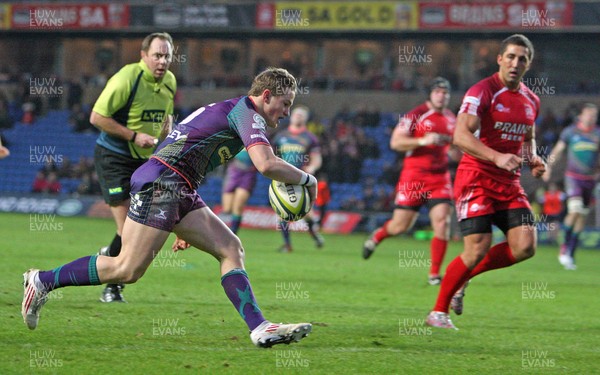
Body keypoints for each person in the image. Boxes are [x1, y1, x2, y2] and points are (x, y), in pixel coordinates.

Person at [22, 67, 316, 348]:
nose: (287, 112)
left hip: (176, 185)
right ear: (266, 95)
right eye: (285, 103)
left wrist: (179, 219)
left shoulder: (233, 109)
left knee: (230, 248)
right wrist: (308, 180)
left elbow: (187, 149)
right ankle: (42, 281)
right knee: (126, 269)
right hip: (165, 183)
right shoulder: (247, 114)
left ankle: (260, 328)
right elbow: (265, 164)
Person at [426, 34, 546, 329]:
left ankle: (465, 279)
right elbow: (460, 136)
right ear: (500, 59)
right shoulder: (482, 91)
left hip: (508, 182)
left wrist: (532, 157)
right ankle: (437, 313)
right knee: (477, 248)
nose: (515, 63)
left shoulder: (532, 100)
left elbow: (526, 134)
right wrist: (496, 157)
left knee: (525, 246)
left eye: (522, 59)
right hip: (476, 178)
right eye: (511, 57)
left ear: (528, 65)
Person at [90, 32, 177, 302]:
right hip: (114, 157)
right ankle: (112, 286)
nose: (162, 61)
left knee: (138, 227)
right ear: (143, 55)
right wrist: (133, 136)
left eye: (167, 56)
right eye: (157, 55)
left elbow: (163, 122)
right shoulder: (127, 78)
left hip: (144, 160)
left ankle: (110, 255)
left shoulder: (170, 82)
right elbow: (97, 117)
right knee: (129, 224)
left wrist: (164, 136)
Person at [362, 77, 457, 286]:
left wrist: (458, 151)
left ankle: (434, 274)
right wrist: (422, 140)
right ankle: (377, 236)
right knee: (399, 226)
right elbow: (396, 142)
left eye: (446, 93)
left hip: (440, 178)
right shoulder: (416, 115)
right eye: (439, 92)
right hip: (414, 177)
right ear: (431, 94)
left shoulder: (452, 119)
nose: (442, 96)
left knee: (442, 222)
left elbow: (456, 153)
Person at [543, 103, 600, 270]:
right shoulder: (571, 132)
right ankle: (564, 248)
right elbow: (558, 151)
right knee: (575, 210)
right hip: (573, 178)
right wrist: (548, 166)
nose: (592, 117)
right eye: (589, 114)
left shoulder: (597, 134)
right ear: (580, 116)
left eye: (594, 115)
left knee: (581, 216)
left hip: (590, 180)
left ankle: (570, 253)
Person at [271, 105, 323, 252]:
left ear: (306, 119)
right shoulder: (280, 136)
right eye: (296, 114)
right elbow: (272, 156)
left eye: (302, 115)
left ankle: (314, 234)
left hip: (301, 178)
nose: (298, 116)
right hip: (283, 178)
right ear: (291, 116)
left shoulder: (310, 138)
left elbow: (316, 158)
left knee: (306, 213)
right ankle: (287, 245)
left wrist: (312, 168)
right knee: (282, 212)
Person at [220, 149, 258, 234]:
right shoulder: (236, 138)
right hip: (234, 171)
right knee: (227, 209)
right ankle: (219, 232)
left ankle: (233, 235)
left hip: (249, 173)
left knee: (238, 207)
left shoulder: (256, 139)